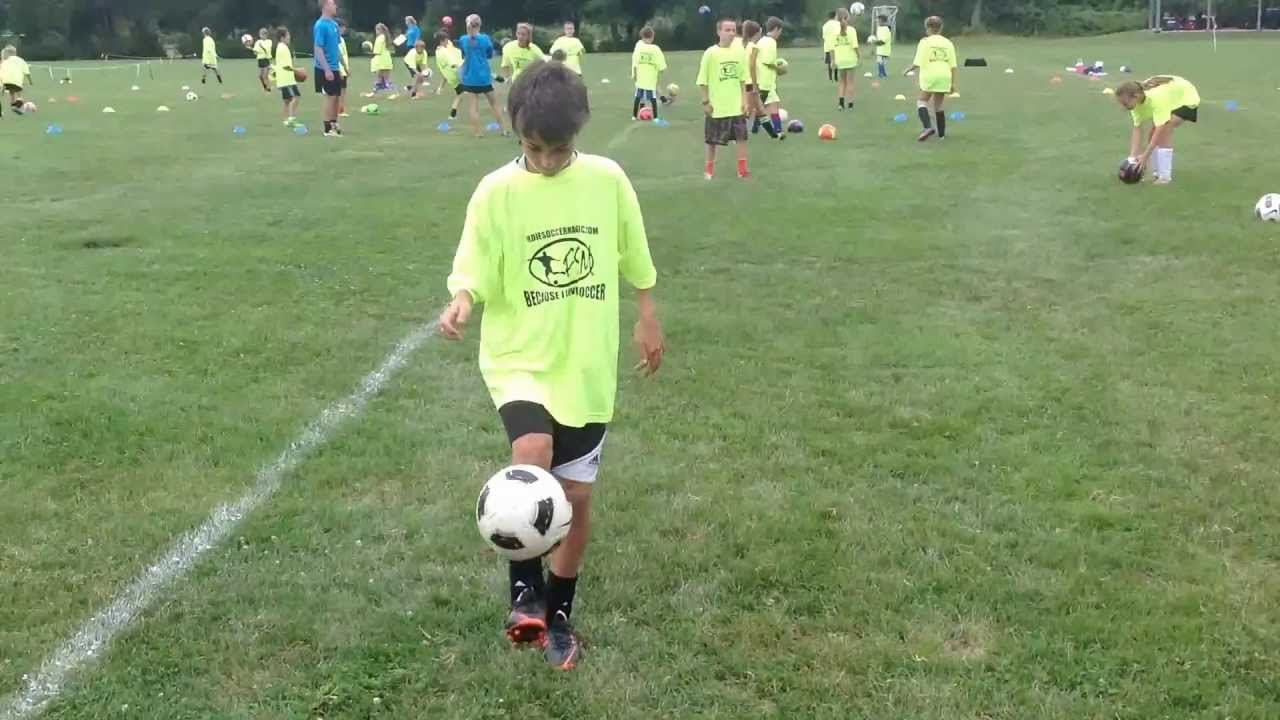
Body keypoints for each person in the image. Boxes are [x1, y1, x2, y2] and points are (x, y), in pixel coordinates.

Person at [440, 58, 665, 672]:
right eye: (532, 148)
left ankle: (558, 612)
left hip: (585, 361)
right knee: (531, 450)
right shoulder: (495, 191)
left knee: (575, 499)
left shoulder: (607, 180)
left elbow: (635, 250)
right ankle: (524, 595)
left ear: (579, 133)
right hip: (518, 355)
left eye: (557, 150)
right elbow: (474, 261)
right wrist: (463, 298)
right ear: (517, 132)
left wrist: (647, 315)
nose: (543, 161)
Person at [1115, 76, 1200, 184]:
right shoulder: (1135, 105)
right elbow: (1137, 129)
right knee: (1153, 135)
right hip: (1170, 96)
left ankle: (1164, 177)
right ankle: (1155, 174)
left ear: (1136, 96)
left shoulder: (1156, 100)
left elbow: (1160, 130)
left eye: (1125, 104)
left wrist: (1145, 156)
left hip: (1186, 97)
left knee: (1165, 131)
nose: (1123, 107)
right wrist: (1132, 157)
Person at [697, 18, 750, 180]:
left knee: (741, 138)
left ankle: (742, 171)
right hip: (717, 107)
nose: (731, 33)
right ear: (718, 32)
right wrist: (706, 102)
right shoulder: (710, 53)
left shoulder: (739, 52)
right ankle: (709, 171)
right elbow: (702, 81)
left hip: (736, 106)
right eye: (727, 30)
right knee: (711, 141)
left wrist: (745, 101)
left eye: (733, 30)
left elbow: (743, 80)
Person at [903, 15, 957, 142]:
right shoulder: (948, 43)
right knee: (938, 105)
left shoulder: (925, 42)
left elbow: (917, 62)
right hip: (945, 75)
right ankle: (941, 136)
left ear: (927, 28)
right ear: (941, 28)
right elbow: (953, 65)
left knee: (922, 101)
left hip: (931, 75)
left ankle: (927, 127)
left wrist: (908, 69)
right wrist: (952, 83)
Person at [457, 14, 507, 137]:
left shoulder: (463, 39)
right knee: (494, 104)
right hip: (484, 77)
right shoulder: (485, 39)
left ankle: (478, 133)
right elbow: (489, 54)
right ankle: (504, 130)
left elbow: (463, 53)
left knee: (473, 107)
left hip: (469, 77)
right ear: (479, 25)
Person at [313, 0, 343, 137]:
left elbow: (336, 48)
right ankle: (327, 128)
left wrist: (341, 67)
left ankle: (334, 122)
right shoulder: (320, 25)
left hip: (335, 67)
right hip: (324, 67)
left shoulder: (334, 25)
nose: (335, 6)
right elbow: (318, 48)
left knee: (336, 96)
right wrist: (327, 69)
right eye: (332, 4)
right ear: (325, 6)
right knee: (329, 97)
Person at [752, 17, 785, 139]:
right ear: (776, 29)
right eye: (780, 31)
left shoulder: (762, 41)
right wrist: (779, 69)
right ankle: (777, 131)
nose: (779, 34)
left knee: (766, 106)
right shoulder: (771, 42)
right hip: (766, 81)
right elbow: (768, 61)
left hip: (763, 80)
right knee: (766, 107)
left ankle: (759, 129)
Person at [630, 26, 666, 121]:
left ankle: (634, 116)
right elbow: (661, 65)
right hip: (651, 79)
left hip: (640, 78)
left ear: (642, 36)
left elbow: (635, 62)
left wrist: (634, 75)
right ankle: (655, 117)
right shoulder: (656, 49)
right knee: (653, 98)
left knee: (638, 97)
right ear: (652, 36)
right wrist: (660, 70)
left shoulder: (638, 47)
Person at [831, 8, 859, 110]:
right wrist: (859, 56)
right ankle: (850, 105)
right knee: (850, 82)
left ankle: (841, 104)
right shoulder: (852, 30)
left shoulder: (834, 31)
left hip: (840, 60)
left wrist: (833, 60)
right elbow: (855, 46)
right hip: (850, 60)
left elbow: (832, 48)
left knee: (842, 82)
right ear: (847, 17)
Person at [274, 27, 301, 127]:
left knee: (287, 100)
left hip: (282, 79)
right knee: (296, 97)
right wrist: (297, 71)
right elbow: (286, 66)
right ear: (282, 37)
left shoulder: (280, 47)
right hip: (287, 79)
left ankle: (285, 120)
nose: (289, 37)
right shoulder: (283, 48)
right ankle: (291, 119)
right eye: (288, 35)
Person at [434, 30, 464, 119]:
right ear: (442, 41)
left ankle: (452, 115)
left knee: (460, 94)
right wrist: (462, 71)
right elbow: (453, 64)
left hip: (450, 77)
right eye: (446, 40)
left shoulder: (438, 51)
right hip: (456, 75)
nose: (448, 42)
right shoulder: (444, 52)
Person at [1, 45, 31, 117]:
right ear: (14, 53)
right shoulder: (19, 60)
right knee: (19, 94)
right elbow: (27, 72)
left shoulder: (5, 61)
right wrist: (30, 81)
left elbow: (3, 73)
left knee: (12, 94)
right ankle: (21, 108)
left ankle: (14, 106)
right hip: (16, 81)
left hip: (6, 82)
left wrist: (3, 86)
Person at [371, 23, 394, 91]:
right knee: (385, 74)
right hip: (386, 57)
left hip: (381, 58)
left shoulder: (380, 38)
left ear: (380, 30)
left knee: (380, 73)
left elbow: (377, 50)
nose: (376, 31)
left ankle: (382, 85)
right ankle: (384, 85)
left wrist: (372, 52)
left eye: (376, 30)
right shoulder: (385, 37)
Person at [337, 18, 351, 117]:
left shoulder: (341, 39)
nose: (344, 29)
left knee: (343, 90)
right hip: (339, 68)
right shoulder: (336, 39)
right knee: (339, 91)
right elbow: (338, 55)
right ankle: (338, 110)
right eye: (342, 27)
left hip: (343, 69)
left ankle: (341, 109)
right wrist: (343, 69)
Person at [822, 10, 840, 83]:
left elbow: (824, 36)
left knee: (830, 62)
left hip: (827, 46)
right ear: (835, 16)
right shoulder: (838, 24)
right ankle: (836, 77)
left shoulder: (825, 25)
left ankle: (830, 77)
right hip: (837, 45)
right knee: (836, 61)